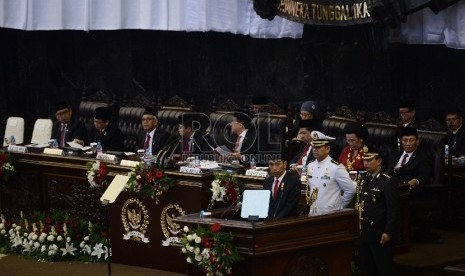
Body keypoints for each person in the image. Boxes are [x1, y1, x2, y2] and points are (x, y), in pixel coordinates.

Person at [359, 148, 398, 276]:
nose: (366, 163)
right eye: (365, 160)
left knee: (383, 267)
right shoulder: (364, 177)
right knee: (366, 267)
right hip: (364, 230)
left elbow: (392, 209)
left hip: (379, 231)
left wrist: (388, 231)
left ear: (379, 161)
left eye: (369, 160)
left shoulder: (387, 180)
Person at [306, 131, 356, 215]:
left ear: (327, 149)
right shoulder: (310, 165)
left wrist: (339, 206)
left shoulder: (336, 167)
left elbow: (351, 189)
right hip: (313, 212)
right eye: (313, 147)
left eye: (318, 147)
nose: (315, 150)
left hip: (330, 214)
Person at [387, 127, 431, 192]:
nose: (408, 144)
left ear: (417, 142)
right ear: (401, 141)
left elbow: (425, 177)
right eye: (405, 140)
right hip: (390, 186)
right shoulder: (394, 156)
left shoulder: (423, 157)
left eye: (411, 140)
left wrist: (416, 181)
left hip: (407, 190)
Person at [263, 153, 301, 219]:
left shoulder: (294, 182)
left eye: (277, 164)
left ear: (285, 164)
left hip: (285, 222)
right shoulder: (267, 181)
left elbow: (290, 206)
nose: (274, 168)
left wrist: (275, 220)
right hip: (268, 222)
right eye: (271, 164)